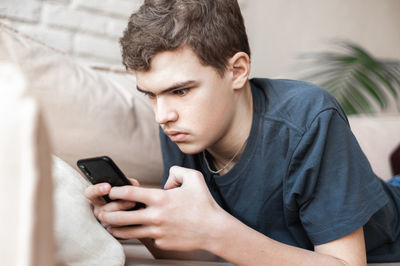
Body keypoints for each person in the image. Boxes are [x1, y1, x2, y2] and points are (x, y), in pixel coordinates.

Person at [84, 0, 400, 265]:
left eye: (180, 91)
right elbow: (199, 251)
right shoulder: (183, 129)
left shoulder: (309, 116)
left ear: (237, 70)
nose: (162, 115)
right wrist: (144, 223)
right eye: (150, 95)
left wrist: (216, 231)